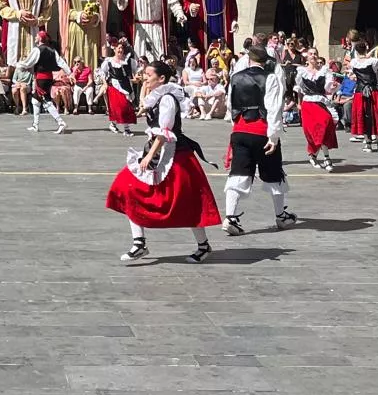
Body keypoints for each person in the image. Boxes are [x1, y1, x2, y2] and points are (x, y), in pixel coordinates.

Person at [105, 60, 220, 262]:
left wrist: (149, 156)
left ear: (162, 79)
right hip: (158, 151)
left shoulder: (167, 99)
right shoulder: (156, 97)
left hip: (175, 156)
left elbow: (165, 133)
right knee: (127, 186)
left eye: (148, 75)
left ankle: (203, 245)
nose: (144, 77)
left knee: (187, 200)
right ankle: (139, 243)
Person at [222, 45, 296, 237]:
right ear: (266, 61)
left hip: (239, 130)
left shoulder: (235, 77)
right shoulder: (270, 77)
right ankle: (281, 216)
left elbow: (230, 105)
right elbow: (273, 109)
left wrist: (236, 126)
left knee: (238, 173)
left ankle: (230, 217)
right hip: (261, 131)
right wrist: (274, 136)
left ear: (249, 59)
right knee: (274, 173)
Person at [295, 47, 337, 172]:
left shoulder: (324, 71)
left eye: (315, 54)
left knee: (326, 123)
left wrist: (333, 86)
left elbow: (328, 89)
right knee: (314, 132)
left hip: (320, 102)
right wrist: (299, 103)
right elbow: (300, 89)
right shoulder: (302, 72)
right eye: (311, 54)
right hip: (308, 104)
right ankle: (325, 158)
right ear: (307, 56)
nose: (313, 56)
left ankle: (318, 156)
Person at [348, 38, 378, 152]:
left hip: (360, 92)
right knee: (377, 115)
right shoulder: (375, 61)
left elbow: (351, 74)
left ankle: (368, 144)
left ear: (356, 51)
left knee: (363, 115)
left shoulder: (353, 62)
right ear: (366, 48)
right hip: (374, 91)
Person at [25, 30, 71, 134]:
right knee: (35, 101)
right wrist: (69, 72)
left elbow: (28, 62)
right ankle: (35, 125)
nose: (35, 38)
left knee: (46, 101)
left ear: (41, 38)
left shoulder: (37, 50)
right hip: (48, 77)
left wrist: (19, 65)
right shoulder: (53, 50)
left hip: (41, 78)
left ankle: (61, 122)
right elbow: (61, 62)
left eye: (37, 36)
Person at [99, 38, 135, 135]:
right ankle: (126, 129)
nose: (120, 50)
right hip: (114, 86)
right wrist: (105, 83)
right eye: (118, 48)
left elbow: (134, 72)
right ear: (114, 49)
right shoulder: (109, 61)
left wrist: (136, 78)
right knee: (121, 107)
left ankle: (114, 125)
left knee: (126, 107)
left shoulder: (128, 60)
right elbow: (102, 72)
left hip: (126, 85)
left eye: (121, 48)